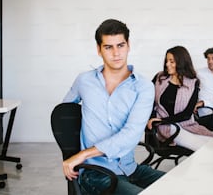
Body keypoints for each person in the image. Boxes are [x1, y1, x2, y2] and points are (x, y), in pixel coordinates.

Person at [62, 19, 164, 195]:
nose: (116, 53)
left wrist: (83, 153)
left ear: (128, 45)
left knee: (181, 186)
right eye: (108, 47)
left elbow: (131, 135)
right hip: (94, 172)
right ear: (99, 49)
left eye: (120, 45)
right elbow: (63, 115)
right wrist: (73, 152)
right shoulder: (84, 81)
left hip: (130, 168)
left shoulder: (144, 87)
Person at [147, 46, 213, 151]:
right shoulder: (159, 78)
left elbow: (187, 114)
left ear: (181, 63)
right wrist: (156, 119)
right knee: (204, 149)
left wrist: (163, 119)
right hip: (165, 126)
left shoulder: (193, 83)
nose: (167, 64)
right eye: (167, 61)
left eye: (171, 61)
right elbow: (147, 102)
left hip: (186, 124)